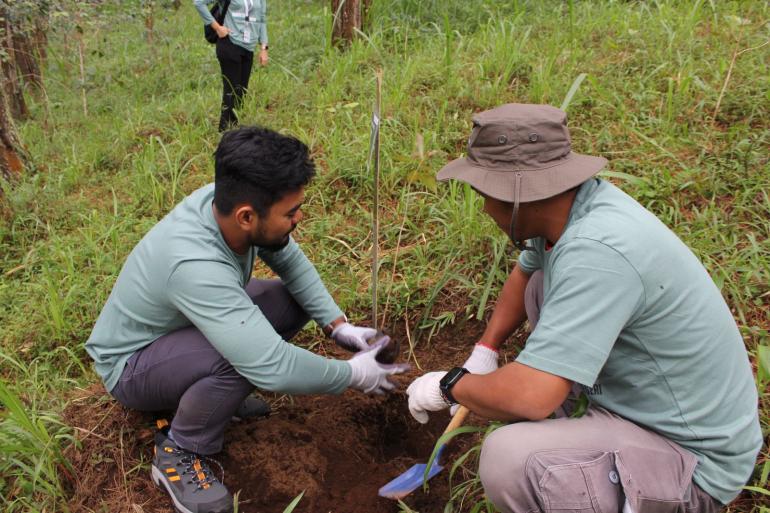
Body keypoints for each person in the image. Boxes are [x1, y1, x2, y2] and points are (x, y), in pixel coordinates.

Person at [405, 104, 761, 513]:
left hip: (691, 461)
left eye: (485, 194)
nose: (485, 208)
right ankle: (579, 439)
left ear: (518, 195)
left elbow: (530, 398)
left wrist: (451, 385)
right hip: (646, 412)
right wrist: (485, 351)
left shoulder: (597, 252)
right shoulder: (567, 211)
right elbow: (525, 274)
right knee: (540, 286)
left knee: (509, 459)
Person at [85, 126, 409, 513]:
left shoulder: (224, 204)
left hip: (178, 331)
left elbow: (290, 261)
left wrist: (338, 326)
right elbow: (271, 366)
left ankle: (212, 397)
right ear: (246, 217)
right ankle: (181, 451)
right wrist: (353, 374)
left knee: (291, 303)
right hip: (131, 366)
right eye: (290, 212)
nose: (299, 217)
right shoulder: (193, 263)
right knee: (243, 358)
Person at [194, 0, 269, 132]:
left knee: (241, 92)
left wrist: (264, 48)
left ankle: (234, 131)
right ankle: (224, 131)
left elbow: (261, 19)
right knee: (231, 91)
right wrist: (218, 28)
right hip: (229, 43)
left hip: (249, 48)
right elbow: (199, 3)